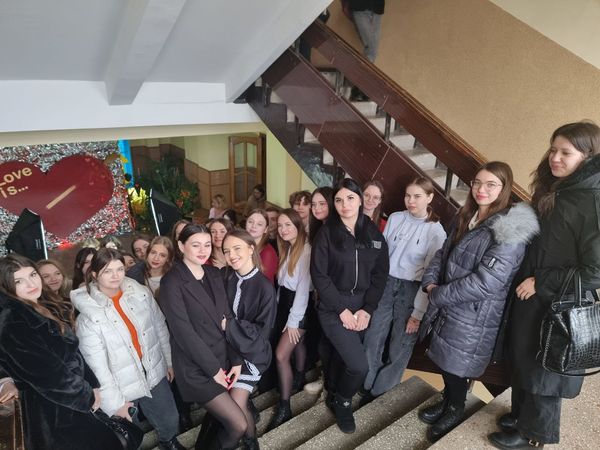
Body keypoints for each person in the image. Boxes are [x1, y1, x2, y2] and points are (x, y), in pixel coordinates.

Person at [488, 122, 600, 449]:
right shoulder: (558, 187)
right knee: (525, 357)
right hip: (532, 292)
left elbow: (596, 271)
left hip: (556, 297)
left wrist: (541, 282)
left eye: (566, 152)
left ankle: (534, 434)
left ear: (588, 156)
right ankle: (520, 416)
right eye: (553, 149)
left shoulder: (593, 201)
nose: (555, 158)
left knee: (545, 369)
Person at [418, 162, 539, 442]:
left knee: (457, 366)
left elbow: (487, 282)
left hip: (474, 313)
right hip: (449, 304)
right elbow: (443, 253)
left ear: (504, 188)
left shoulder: (510, 230)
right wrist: (430, 282)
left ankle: (455, 408)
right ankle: (448, 399)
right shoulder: (467, 215)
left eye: (491, 184)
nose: (481, 189)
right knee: (446, 361)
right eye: (477, 183)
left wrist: (439, 294)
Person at [0, 254, 124, 450]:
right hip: (54, 412)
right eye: (18, 281)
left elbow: (71, 352)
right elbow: (47, 374)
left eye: (32, 275)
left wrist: (92, 384)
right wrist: (85, 395)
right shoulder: (13, 320)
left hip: (69, 404)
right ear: (6, 286)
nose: (31, 283)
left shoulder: (36, 306)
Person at [71, 248, 184, 450]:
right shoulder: (88, 316)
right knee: (131, 433)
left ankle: (169, 442)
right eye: (107, 271)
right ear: (95, 274)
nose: (115, 276)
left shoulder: (140, 293)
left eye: (119, 269)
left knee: (169, 418)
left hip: (153, 370)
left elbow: (159, 326)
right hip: (120, 384)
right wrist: (114, 403)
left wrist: (168, 361)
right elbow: (97, 366)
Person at [310, 178, 389, 434]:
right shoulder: (327, 234)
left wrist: (368, 309)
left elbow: (380, 275)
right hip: (333, 306)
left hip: (363, 306)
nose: (345, 204)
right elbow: (319, 276)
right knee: (358, 366)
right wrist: (342, 310)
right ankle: (344, 402)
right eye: (339, 200)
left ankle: (334, 391)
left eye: (350, 198)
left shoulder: (373, 233)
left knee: (340, 355)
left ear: (360, 200)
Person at [159, 224, 247, 450]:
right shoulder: (171, 281)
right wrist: (214, 370)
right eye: (195, 245)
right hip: (196, 367)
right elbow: (183, 332)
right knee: (238, 425)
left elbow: (228, 318)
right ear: (181, 246)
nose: (203, 250)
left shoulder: (214, 273)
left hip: (222, 358)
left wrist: (236, 359)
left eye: (207, 245)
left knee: (218, 420)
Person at [362, 178, 446, 404]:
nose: (411, 201)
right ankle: (366, 385)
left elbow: (431, 275)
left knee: (400, 344)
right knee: (373, 336)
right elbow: (381, 254)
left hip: (413, 289)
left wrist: (418, 313)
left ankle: (381, 391)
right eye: (408, 196)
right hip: (386, 282)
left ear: (429, 198)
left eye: (417, 196)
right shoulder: (396, 218)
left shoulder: (435, 231)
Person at [221, 230, 277, 448]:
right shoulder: (227, 277)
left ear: (251, 248)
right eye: (226, 251)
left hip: (254, 354)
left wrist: (230, 326)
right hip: (229, 351)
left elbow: (261, 333)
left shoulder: (264, 287)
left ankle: (252, 441)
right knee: (234, 403)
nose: (231, 255)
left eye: (237, 249)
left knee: (236, 403)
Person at [267, 209, 312, 430]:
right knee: (299, 344)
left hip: (299, 309)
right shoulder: (287, 247)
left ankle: (285, 407)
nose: (283, 230)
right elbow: (282, 285)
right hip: (285, 305)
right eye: (280, 225)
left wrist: (294, 321)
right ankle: (300, 377)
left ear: (298, 226)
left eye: (288, 225)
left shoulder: (306, 250)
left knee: (281, 354)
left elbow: (303, 291)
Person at [246, 209, 278, 283]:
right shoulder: (243, 245)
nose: (253, 226)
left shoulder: (268, 252)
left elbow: (263, 284)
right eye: (250, 222)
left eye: (259, 224)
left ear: (266, 229)